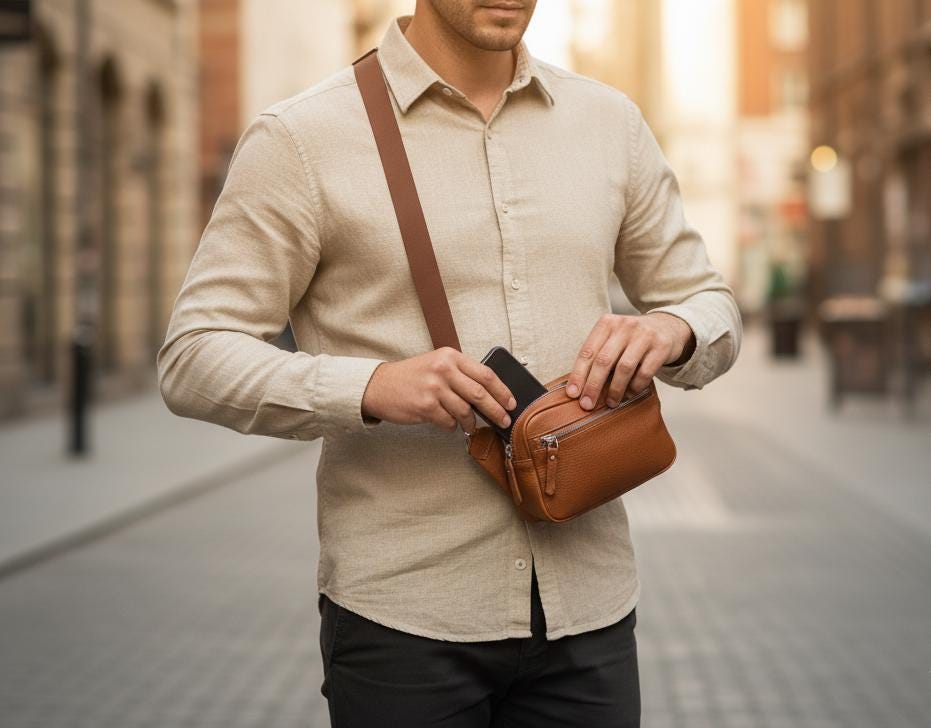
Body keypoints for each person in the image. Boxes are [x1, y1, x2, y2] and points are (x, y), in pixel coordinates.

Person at [157, 1, 742, 726]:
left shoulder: (609, 123)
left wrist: (673, 328)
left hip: (589, 611)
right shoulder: (302, 138)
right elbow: (193, 354)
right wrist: (370, 386)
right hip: (405, 620)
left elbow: (707, 300)